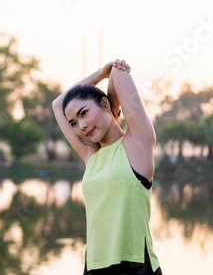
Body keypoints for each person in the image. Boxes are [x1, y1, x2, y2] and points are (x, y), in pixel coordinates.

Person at [52, 59, 163, 275]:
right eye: (73, 123)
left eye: (84, 113)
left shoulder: (137, 144)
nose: (81, 126)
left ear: (104, 104)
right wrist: (100, 74)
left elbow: (119, 74)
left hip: (135, 266)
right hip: (94, 265)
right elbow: (57, 105)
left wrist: (110, 72)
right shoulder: (90, 155)